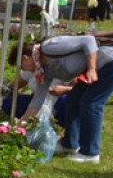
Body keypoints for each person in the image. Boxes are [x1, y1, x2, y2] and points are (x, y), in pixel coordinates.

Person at [19, 34, 113, 163]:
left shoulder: (48, 47)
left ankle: (91, 153)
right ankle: (70, 144)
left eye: (21, 66)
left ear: (25, 58)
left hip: (108, 62)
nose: (24, 71)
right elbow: (37, 100)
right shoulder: (44, 70)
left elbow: (88, 40)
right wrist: (22, 123)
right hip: (96, 67)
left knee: (91, 104)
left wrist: (92, 69)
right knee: (73, 100)